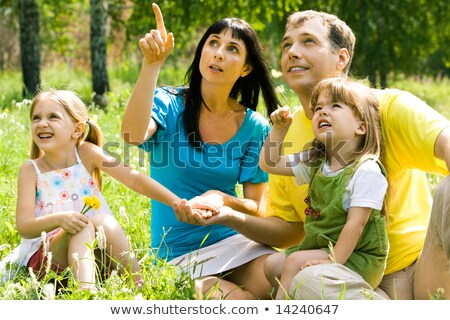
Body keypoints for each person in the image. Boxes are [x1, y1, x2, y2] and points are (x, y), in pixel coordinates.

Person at [174, 10, 450, 300]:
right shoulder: (289, 134)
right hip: (347, 282)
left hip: (423, 273)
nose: (293, 52)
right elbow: (288, 229)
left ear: (341, 58)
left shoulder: (387, 108)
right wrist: (228, 215)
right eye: (286, 45)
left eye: (307, 42)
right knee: (291, 272)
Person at [121, 4, 281, 299]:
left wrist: (221, 201)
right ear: (201, 53)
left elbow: (256, 207)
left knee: (285, 278)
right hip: (178, 253)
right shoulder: (168, 104)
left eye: (233, 48)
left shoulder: (255, 127)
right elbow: (131, 135)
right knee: (242, 302)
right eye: (213, 43)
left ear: (246, 68)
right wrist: (150, 65)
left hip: (234, 242)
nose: (219, 53)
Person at [4, 89, 183, 292]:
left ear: (77, 130)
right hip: (49, 261)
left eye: (53, 117)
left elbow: (134, 179)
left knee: (103, 221)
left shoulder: (86, 154)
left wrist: (176, 201)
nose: (42, 123)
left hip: (97, 258)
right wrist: (59, 220)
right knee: (82, 226)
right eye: (36, 118)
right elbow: (24, 226)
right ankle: (86, 294)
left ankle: (140, 286)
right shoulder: (31, 170)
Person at [259, 77, 388, 299]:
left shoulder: (366, 171)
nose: (322, 112)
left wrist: (333, 260)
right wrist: (280, 130)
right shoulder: (317, 161)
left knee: (293, 263)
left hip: (358, 256)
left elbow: (356, 225)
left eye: (335, 106)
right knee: (272, 265)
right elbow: (269, 164)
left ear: (361, 126)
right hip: (323, 246)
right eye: (318, 108)